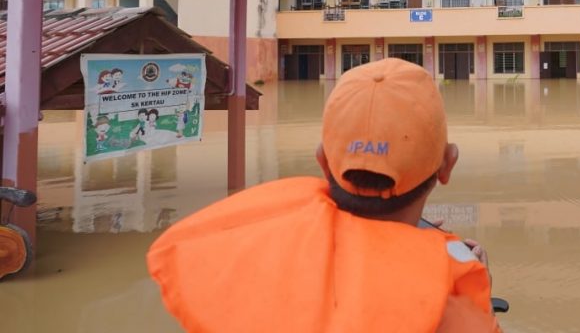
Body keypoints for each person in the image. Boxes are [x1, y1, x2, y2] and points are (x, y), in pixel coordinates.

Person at [146, 58, 500, 332]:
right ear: (447, 165)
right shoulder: (453, 306)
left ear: (322, 161)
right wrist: (474, 293)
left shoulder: (234, 249)